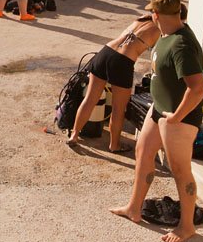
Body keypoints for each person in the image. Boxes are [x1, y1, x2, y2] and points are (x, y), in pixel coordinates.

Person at [110, 0, 203, 242]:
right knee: (142, 153)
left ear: (157, 15)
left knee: (180, 169)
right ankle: (134, 208)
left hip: (177, 118)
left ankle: (187, 226)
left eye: (152, 13)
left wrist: (177, 116)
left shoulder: (181, 44)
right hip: (159, 109)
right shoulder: (166, 35)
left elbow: (198, 88)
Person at [67, 14, 161, 152]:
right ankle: (114, 145)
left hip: (106, 52)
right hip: (123, 61)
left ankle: (74, 135)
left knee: (90, 98)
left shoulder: (142, 18)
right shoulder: (161, 28)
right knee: (118, 109)